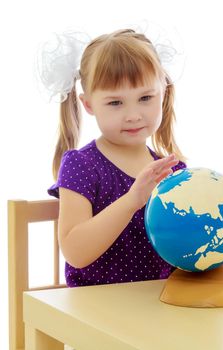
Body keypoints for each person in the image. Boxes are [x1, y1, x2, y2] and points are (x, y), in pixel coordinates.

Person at [45, 28, 187, 287]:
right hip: (95, 309)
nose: (133, 115)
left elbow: (182, 253)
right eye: (115, 103)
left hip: (156, 307)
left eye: (145, 98)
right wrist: (133, 200)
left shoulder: (172, 170)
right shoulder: (82, 165)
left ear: (163, 92)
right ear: (88, 104)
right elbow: (76, 253)